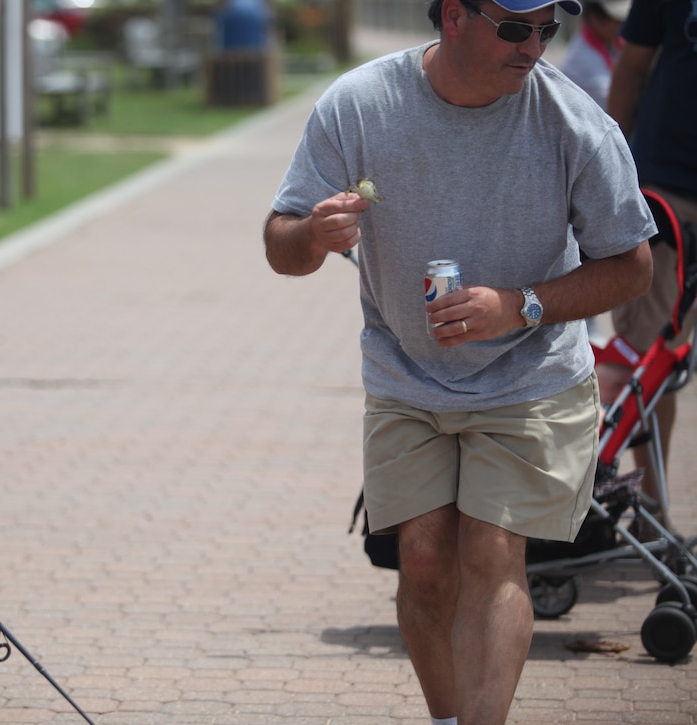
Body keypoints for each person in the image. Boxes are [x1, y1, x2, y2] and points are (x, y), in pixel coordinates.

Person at [263, 1, 654, 723]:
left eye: (547, 29)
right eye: (514, 27)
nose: (533, 46)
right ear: (451, 15)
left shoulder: (575, 123)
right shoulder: (361, 104)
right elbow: (280, 244)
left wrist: (520, 305)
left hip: (530, 376)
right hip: (405, 374)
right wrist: (314, 235)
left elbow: (633, 266)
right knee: (423, 560)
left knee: (491, 548)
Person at [602, 0, 697, 524]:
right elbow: (633, 64)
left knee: (660, 364)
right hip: (667, 188)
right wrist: (612, 168)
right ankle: (650, 507)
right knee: (646, 361)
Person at [559, 1, 631, 109]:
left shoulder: (610, 44)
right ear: (595, 16)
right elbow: (619, 105)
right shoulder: (584, 59)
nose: (623, 25)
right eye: (617, 20)